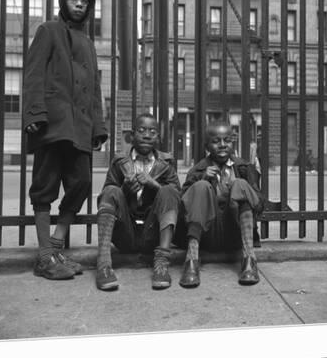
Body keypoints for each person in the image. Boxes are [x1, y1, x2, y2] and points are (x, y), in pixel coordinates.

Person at [22, 0, 107, 280]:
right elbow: (32, 75)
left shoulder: (88, 44)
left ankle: (55, 247)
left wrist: (98, 127)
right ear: (64, 2)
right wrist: (34, 114)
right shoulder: (48, 31)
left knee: (82, 183)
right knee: (44, 187)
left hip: (81, 128)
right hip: (53, 124)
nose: (80, 4)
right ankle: (45, 257)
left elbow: (95, 89)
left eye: (84, 0)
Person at [95, 113, 181, 291]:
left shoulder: (166, 163)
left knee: (168, 190)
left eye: (152, 131)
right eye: (141, 131)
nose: (147, 135)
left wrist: (154, 185)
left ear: (158, 137)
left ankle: (162, 262)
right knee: (111, 191)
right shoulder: (119, 162)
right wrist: (125, 190)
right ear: (131, 135)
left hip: (153, 234)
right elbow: (106, 197)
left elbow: (177, 198)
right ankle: (103, 265)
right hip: (126, 233)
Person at [175, 121, 264, 288]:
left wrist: (239, 189)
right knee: (201, 187)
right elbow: (183, 208)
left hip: (236, 234)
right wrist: (203, 180)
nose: (223, 145)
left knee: (240, 184)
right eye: (216, 141)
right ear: (207, 146)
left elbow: (259, 205)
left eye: (227, 140)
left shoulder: (244, 168)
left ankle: (249, 260)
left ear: (233, 142)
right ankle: (191, 261)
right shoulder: (198, 170)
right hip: (207, 235)